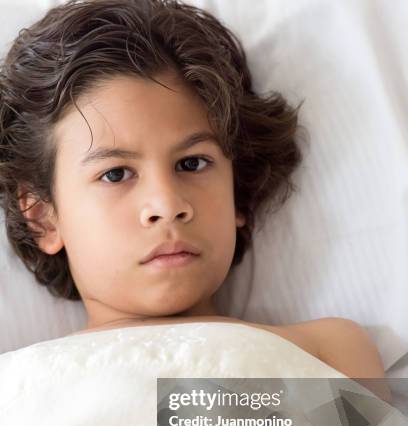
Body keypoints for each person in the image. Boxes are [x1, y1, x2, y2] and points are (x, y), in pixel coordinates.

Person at [0, 0, 388, 398]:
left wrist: (166, 407)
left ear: (238, 192)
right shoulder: (20, 392)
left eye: (191, 164)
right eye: (115, 174)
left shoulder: (329, 352)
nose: (167, 204)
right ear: (44, 218)